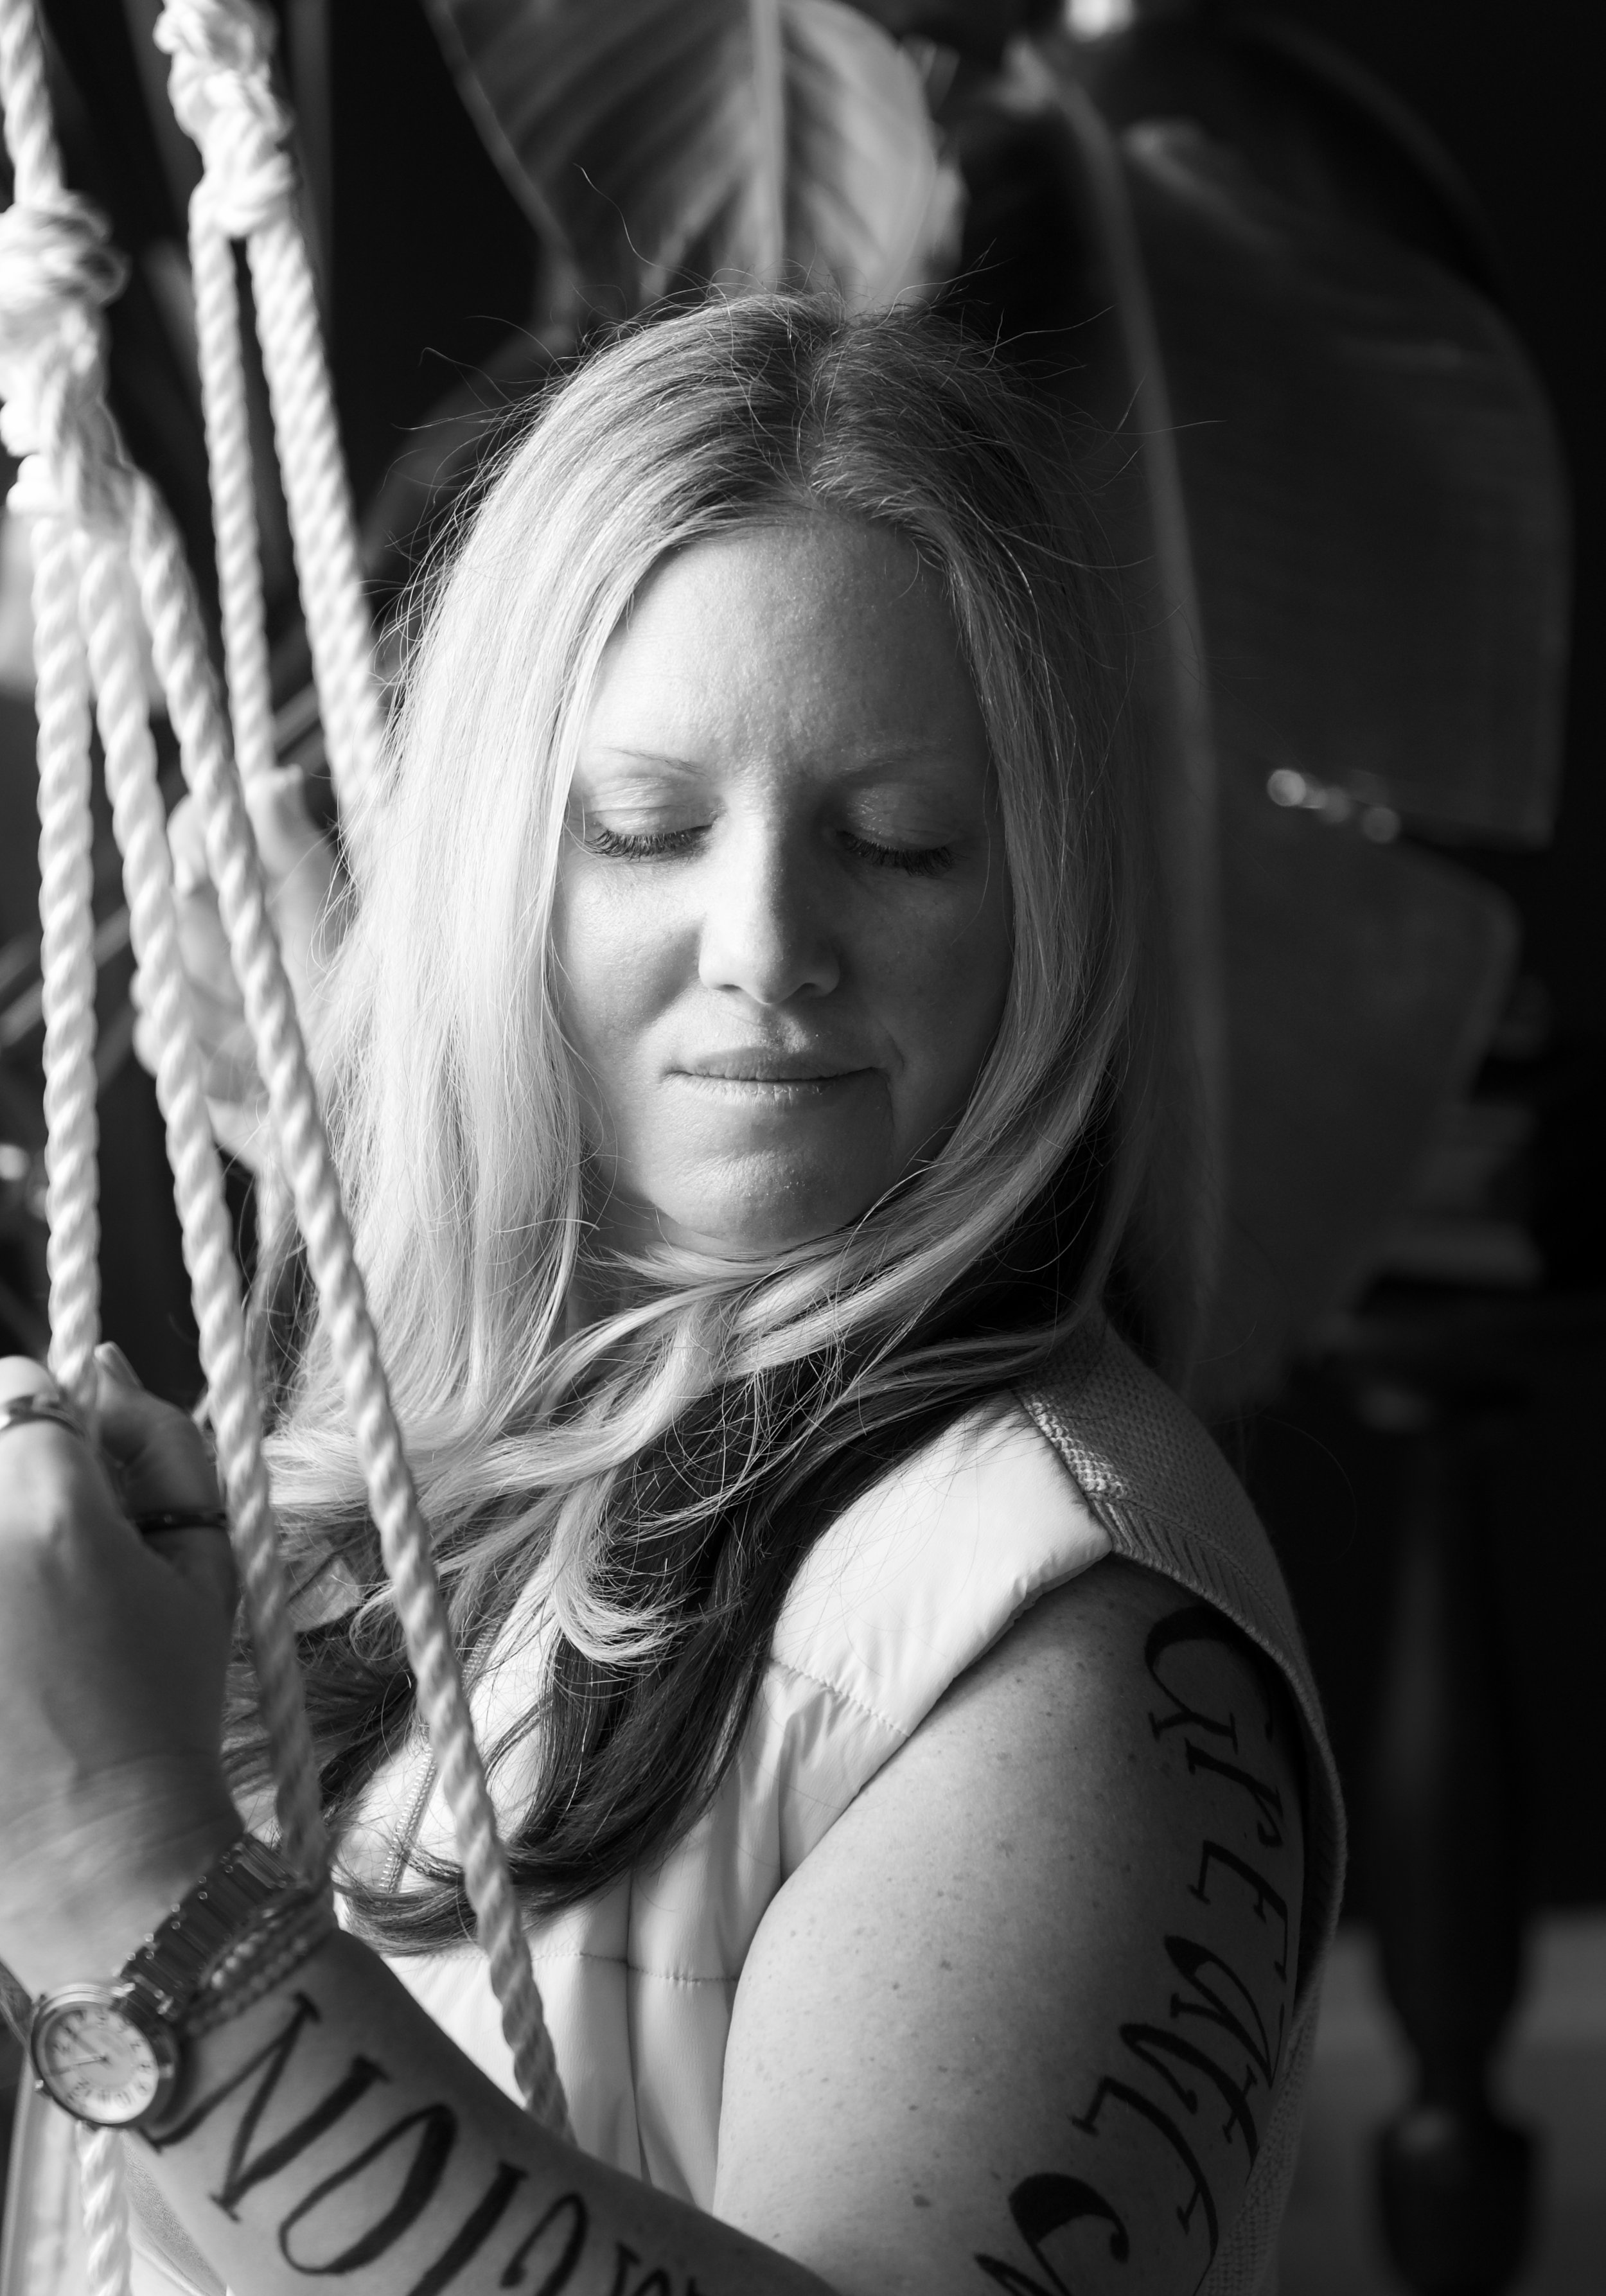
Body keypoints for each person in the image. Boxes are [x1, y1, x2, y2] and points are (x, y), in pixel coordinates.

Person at [0, 296, 1340, 2296]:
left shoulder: (1067, 1654)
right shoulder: (432, 1456)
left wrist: (114, 1860)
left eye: (897, 844)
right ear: (484, 872)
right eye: (643, 832)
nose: (768, 943)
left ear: (1041, 899)